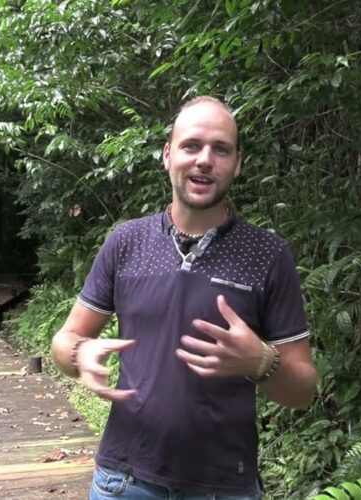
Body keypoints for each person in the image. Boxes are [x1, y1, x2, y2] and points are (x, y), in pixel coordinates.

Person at [51, 96, 318, 499]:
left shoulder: (267, 254)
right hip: (123, 482)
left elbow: (303, 390)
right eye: (191, 145)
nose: (204, 160)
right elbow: (64, 341)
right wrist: (79, 354)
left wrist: (261, 362)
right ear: (168, 155)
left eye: (220, 149)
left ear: (237, 163)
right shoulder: (126, 241)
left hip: (223, 487)